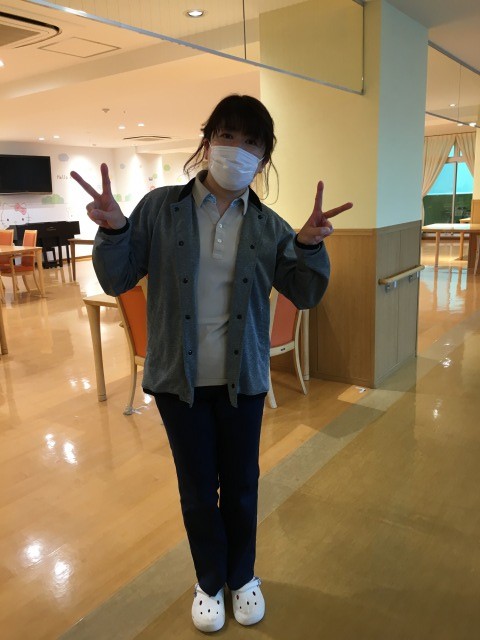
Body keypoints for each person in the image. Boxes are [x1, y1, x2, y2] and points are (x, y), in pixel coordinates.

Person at [71, 94, 352, 633]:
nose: (236, 150)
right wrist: (113, 231)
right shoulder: (159, 208)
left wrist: (309, 246)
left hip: (242, 381)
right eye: (227, 136)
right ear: (207, 143)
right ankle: (208, 581)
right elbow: (118, 277)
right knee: (198, 488)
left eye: (251, 143)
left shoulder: (270, 226)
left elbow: (304, 292)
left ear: (263, 160)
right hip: (178, 382)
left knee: (242, 484)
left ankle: (242, 577)